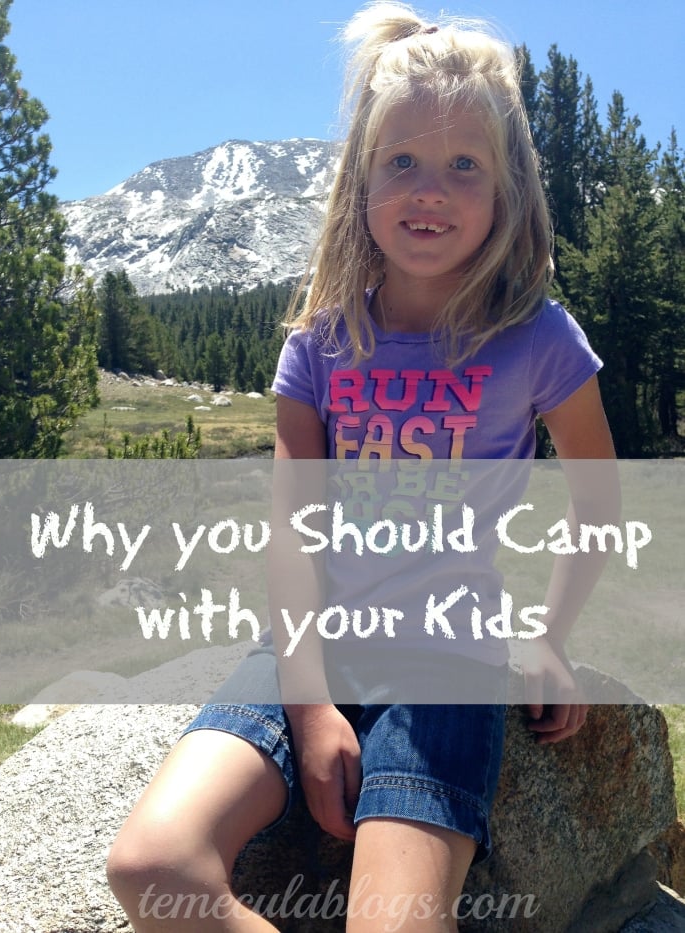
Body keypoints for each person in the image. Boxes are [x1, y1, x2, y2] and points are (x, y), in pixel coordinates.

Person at [106, 2, 616, 930]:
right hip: (311, 646)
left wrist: (549, 632)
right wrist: (307, 709)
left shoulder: (536, 336)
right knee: (151, 864)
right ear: (362, 180)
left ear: (508, 188)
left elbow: (598, 493)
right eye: (403, 162)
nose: (431, 189)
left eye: (465, 164)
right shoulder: (321, 345)